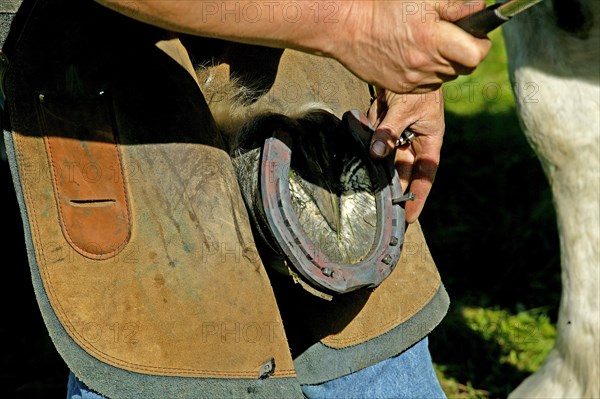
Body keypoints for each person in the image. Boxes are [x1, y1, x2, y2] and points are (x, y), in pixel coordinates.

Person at [0, 1, 490, 398]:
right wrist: (350, 24)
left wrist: (419, 34)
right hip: (110, 65)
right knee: (173, 362)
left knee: (372, 350)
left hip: (308, 58)